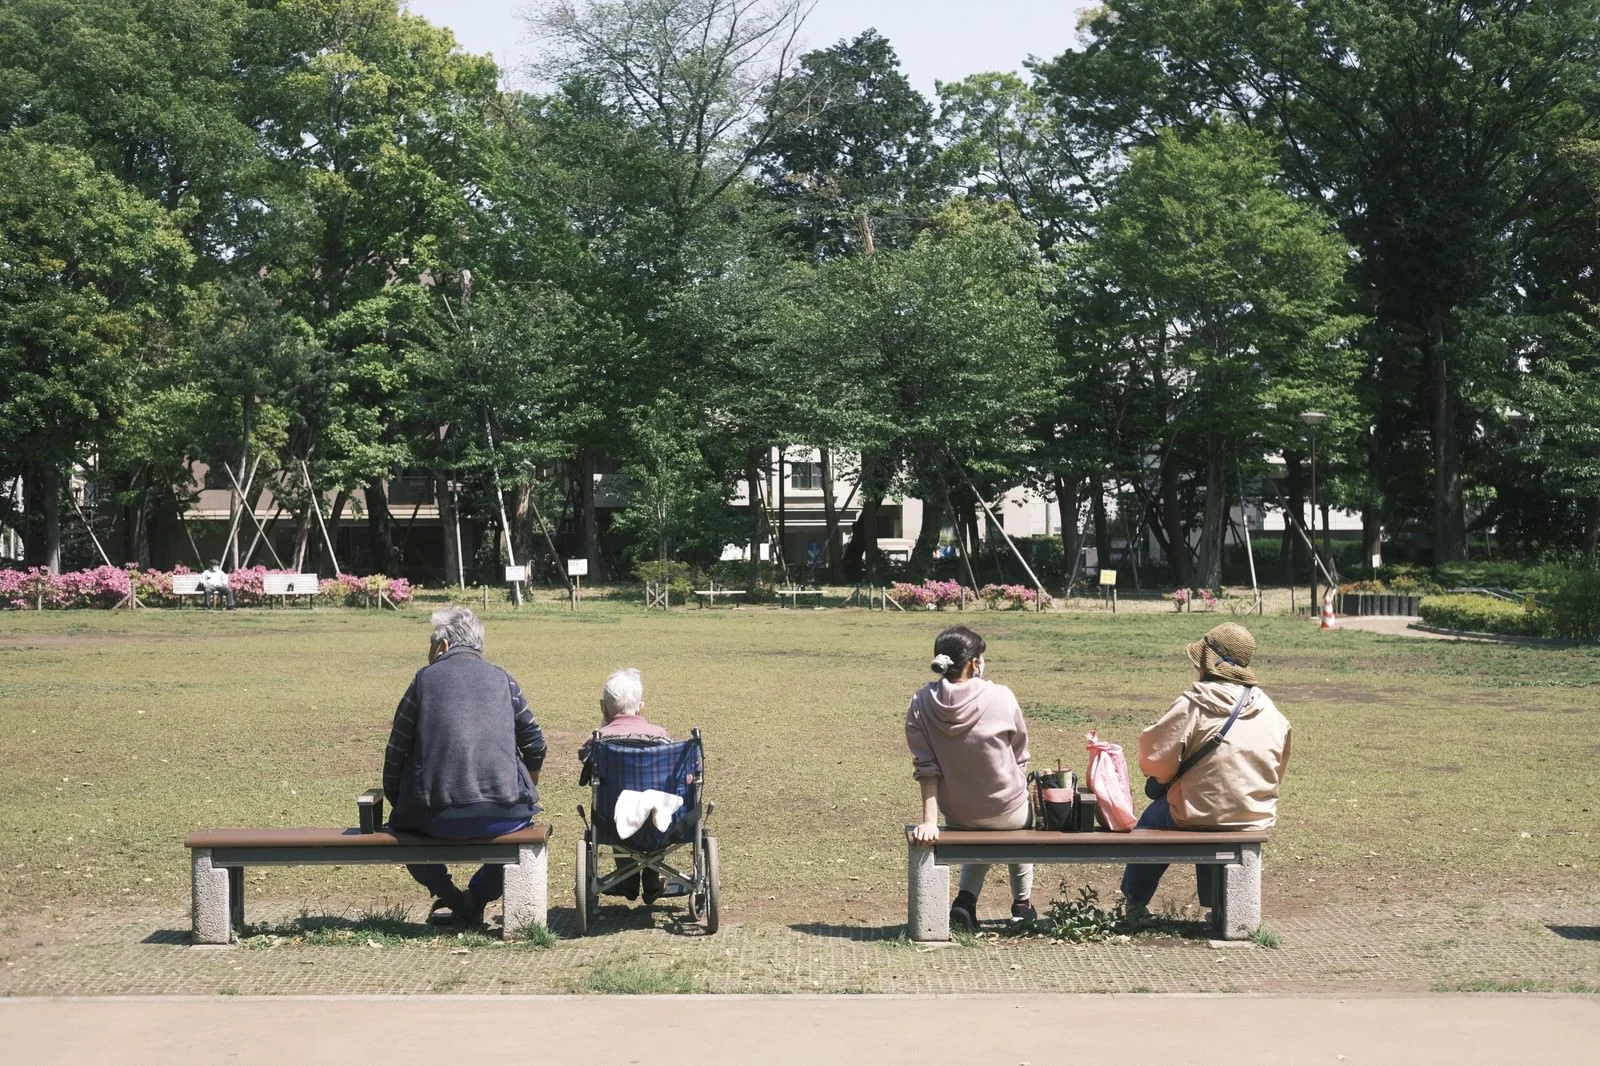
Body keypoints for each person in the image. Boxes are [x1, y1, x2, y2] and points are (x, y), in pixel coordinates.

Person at [383, 607, 546, 928]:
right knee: (522, 833)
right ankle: (478, 897)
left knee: (400, 832)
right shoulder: (504, 680)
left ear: (443, 645)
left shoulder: (423, 680)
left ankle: (454, 898)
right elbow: (536, 743)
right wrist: (527, 785)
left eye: (430, 645)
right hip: (505, 816)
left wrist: (397, 800)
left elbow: (396, 750)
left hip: (435, 817)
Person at [1120, 621, 1292, 916]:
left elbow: (1153, 758)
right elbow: (1277, 769)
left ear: (1206, 664)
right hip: (1252, 813)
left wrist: (1165, 777)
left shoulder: (1195, 702)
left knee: (1154, 820)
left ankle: (1135, 902)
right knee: (1208, 813)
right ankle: (1217, 909)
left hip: (1197, 811)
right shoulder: (1271, 710)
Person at [905, 624, 1035, 930]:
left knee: (984, 824)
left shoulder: (920, 702)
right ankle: (1022, 904)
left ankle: (965, 901)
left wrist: (930, 822)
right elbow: (1021, 752)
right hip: (1010, 810)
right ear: (975, 663)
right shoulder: (1001, 696)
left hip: (959, 813)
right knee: (1017, 826)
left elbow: (926, 768)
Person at [579, 667, 674, 903]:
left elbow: (584, 758)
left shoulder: (598, 741)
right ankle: (651, 879)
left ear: (603, 707)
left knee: (615, 806)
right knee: (655, 803)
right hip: (655, 821)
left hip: (613, 819)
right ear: (641, 707)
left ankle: (627, 878)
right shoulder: (661, 736)